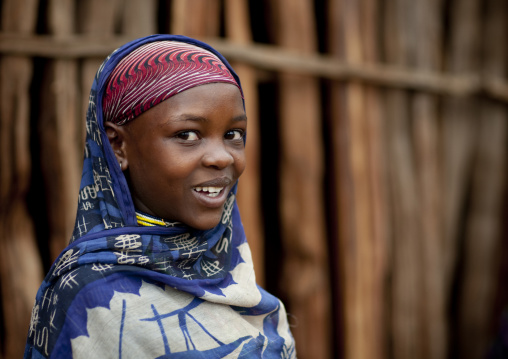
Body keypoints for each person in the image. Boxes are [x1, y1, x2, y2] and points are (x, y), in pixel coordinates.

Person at [24, 34, 295, 358]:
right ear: (117, 146)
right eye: (187, 135)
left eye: (233, 135)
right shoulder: (88, 298)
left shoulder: (253, 301)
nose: (222, 157)